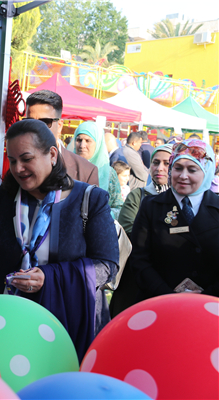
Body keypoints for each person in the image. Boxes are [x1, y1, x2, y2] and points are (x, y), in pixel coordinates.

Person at [0, 119, 118, 361]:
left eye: (26, 159)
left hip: (63, 322)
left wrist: (49, 277)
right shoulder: (6, 196)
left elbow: (106, 266)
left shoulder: (91, 199)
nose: (18, 169)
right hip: (7, 321)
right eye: (13, 160)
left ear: (51, 154)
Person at [129, 139, 218, 301]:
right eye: (178, 168)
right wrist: (168, 296)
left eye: (192, 170)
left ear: (207, 172)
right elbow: (139, 259)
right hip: (159, 302)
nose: (183, 176)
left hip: (211, 306)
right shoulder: (150, 207)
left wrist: (207, 296)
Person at [109, 144, 173, 317]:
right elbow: (129, 229)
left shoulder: (183, 202)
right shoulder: (139, 196)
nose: (160, 168)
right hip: (136, 278)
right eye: (155, 162)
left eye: (167, 163)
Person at [25, 90, 99, 186]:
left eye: (45, 122)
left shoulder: (86, 171)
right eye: (30, 122)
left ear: (59, 125)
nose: (36, 128)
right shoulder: (18, 164)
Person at [73, 121, 123, 219]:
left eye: (88, 141)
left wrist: (103, 214)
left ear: (98, 143)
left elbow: (118, 207)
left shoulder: (108, 173)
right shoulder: (65, 168)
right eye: (79, 140)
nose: (82, 145)